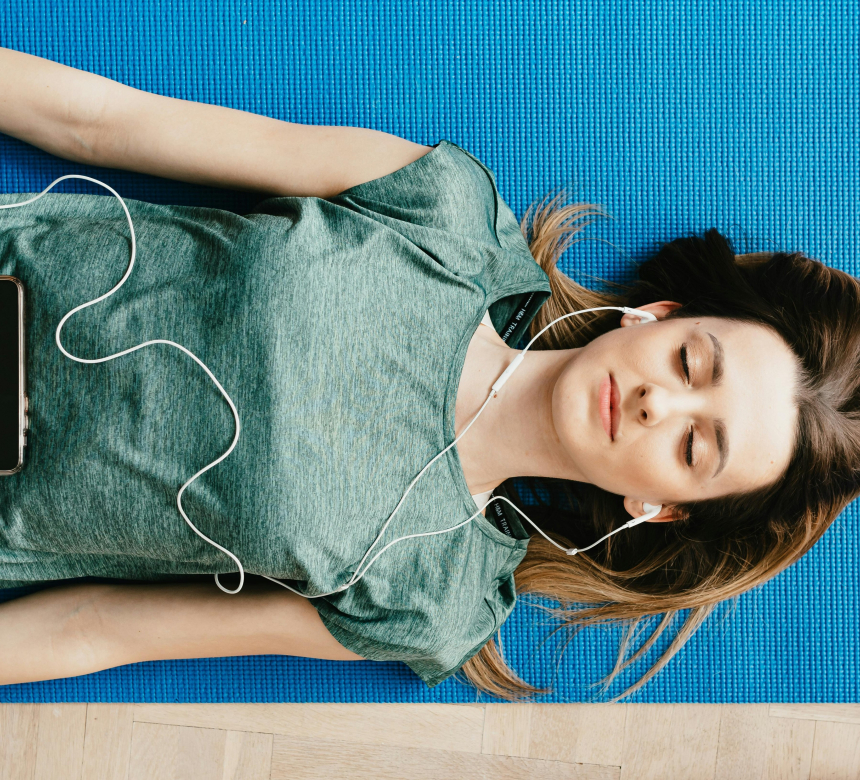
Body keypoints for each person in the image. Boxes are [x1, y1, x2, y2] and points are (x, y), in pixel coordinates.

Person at [0, 46, 857, 698]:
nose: (653, 401)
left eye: (693, 446)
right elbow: (107, 125)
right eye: (688, 361)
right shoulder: (443, 211)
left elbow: (98, 627)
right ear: (659, 315)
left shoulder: (437, 599)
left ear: (659, 508)